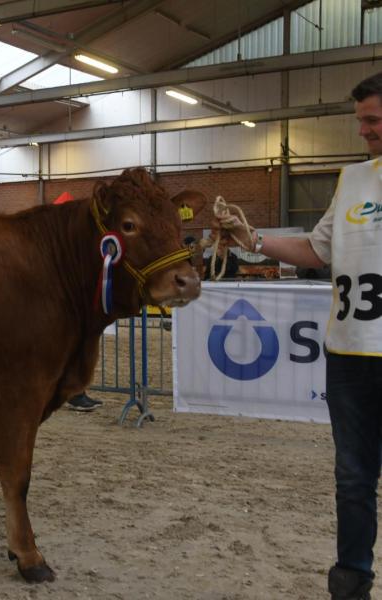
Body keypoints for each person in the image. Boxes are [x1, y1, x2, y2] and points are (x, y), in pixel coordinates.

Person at [220, 71, 382, 600]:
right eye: (361, 121)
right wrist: (254, 239)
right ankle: (351, 581)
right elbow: (318, 251)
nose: (364, 131)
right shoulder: (353, 179)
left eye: (373, 120)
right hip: (350, 354)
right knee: (353, 481)